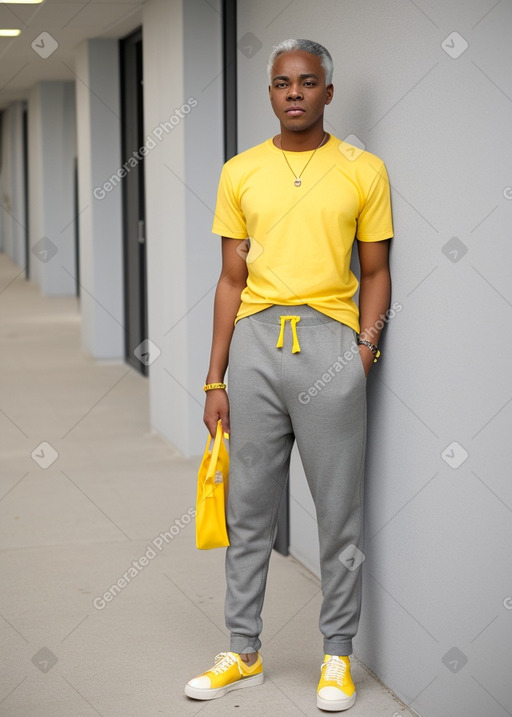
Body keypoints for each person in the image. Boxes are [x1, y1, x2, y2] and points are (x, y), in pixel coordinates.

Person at [185, 38, 393, 712]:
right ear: (269, 93)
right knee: (249, 509)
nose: (294, 92)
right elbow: (230, 277)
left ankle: (337, 653)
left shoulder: (365, 170)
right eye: (282, 83)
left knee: (338, 516)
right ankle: (243, 649)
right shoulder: (240, 171)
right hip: (254, 346)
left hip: (330, 344)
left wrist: (362, 353)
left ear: (328, 92)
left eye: (308, 82)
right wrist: (215, 378)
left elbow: (377, 270)